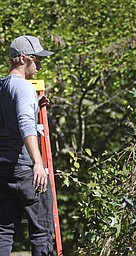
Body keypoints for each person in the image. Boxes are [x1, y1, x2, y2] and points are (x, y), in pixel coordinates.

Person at [0, 35, 54, 256]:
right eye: (37, 60)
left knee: (2, 230)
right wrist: (37, 164)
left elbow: (9, 117)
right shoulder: (23, 87)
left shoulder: (2, 86)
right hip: (25, 170)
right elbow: (26, 125)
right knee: (41, 232)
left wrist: (35, 104)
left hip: (3, 170)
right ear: (22, 59)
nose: (40, 66)